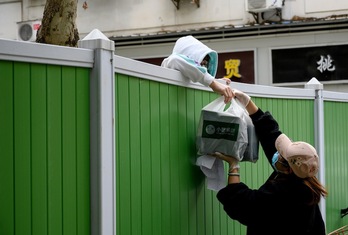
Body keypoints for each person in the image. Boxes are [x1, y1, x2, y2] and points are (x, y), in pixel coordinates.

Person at [212, 90, 328, 235]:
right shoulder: (303, 178)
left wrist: (234, 166)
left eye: (281, 154)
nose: (278, 154)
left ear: (288, 168)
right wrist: (248, 103)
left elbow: (243, 204)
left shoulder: (284, 193)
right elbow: (271, 136)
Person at [161, 35, 233, 103]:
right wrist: (213, 84)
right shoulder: (169, 63)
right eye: (202, 60)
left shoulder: (195, 75)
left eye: (205, 64)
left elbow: (198, 75)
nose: (203, 66)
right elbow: (175, 60)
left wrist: (218, 82)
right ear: (189, 54)